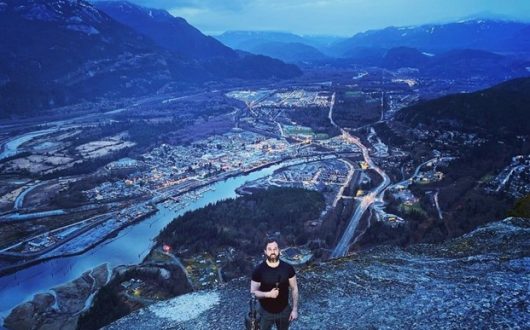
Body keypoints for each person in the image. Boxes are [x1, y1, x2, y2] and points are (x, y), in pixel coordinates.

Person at [250, 238, 299, 330]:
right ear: (265, 251)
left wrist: (294, 310)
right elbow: (253, 293)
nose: (273, 252)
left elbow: (294, 288)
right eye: (269, 249)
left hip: (284, 310)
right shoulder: (258, 270)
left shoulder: (288, 268)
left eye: (275, 249)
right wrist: (268, 294)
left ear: (279, 250)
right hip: (265, 312)